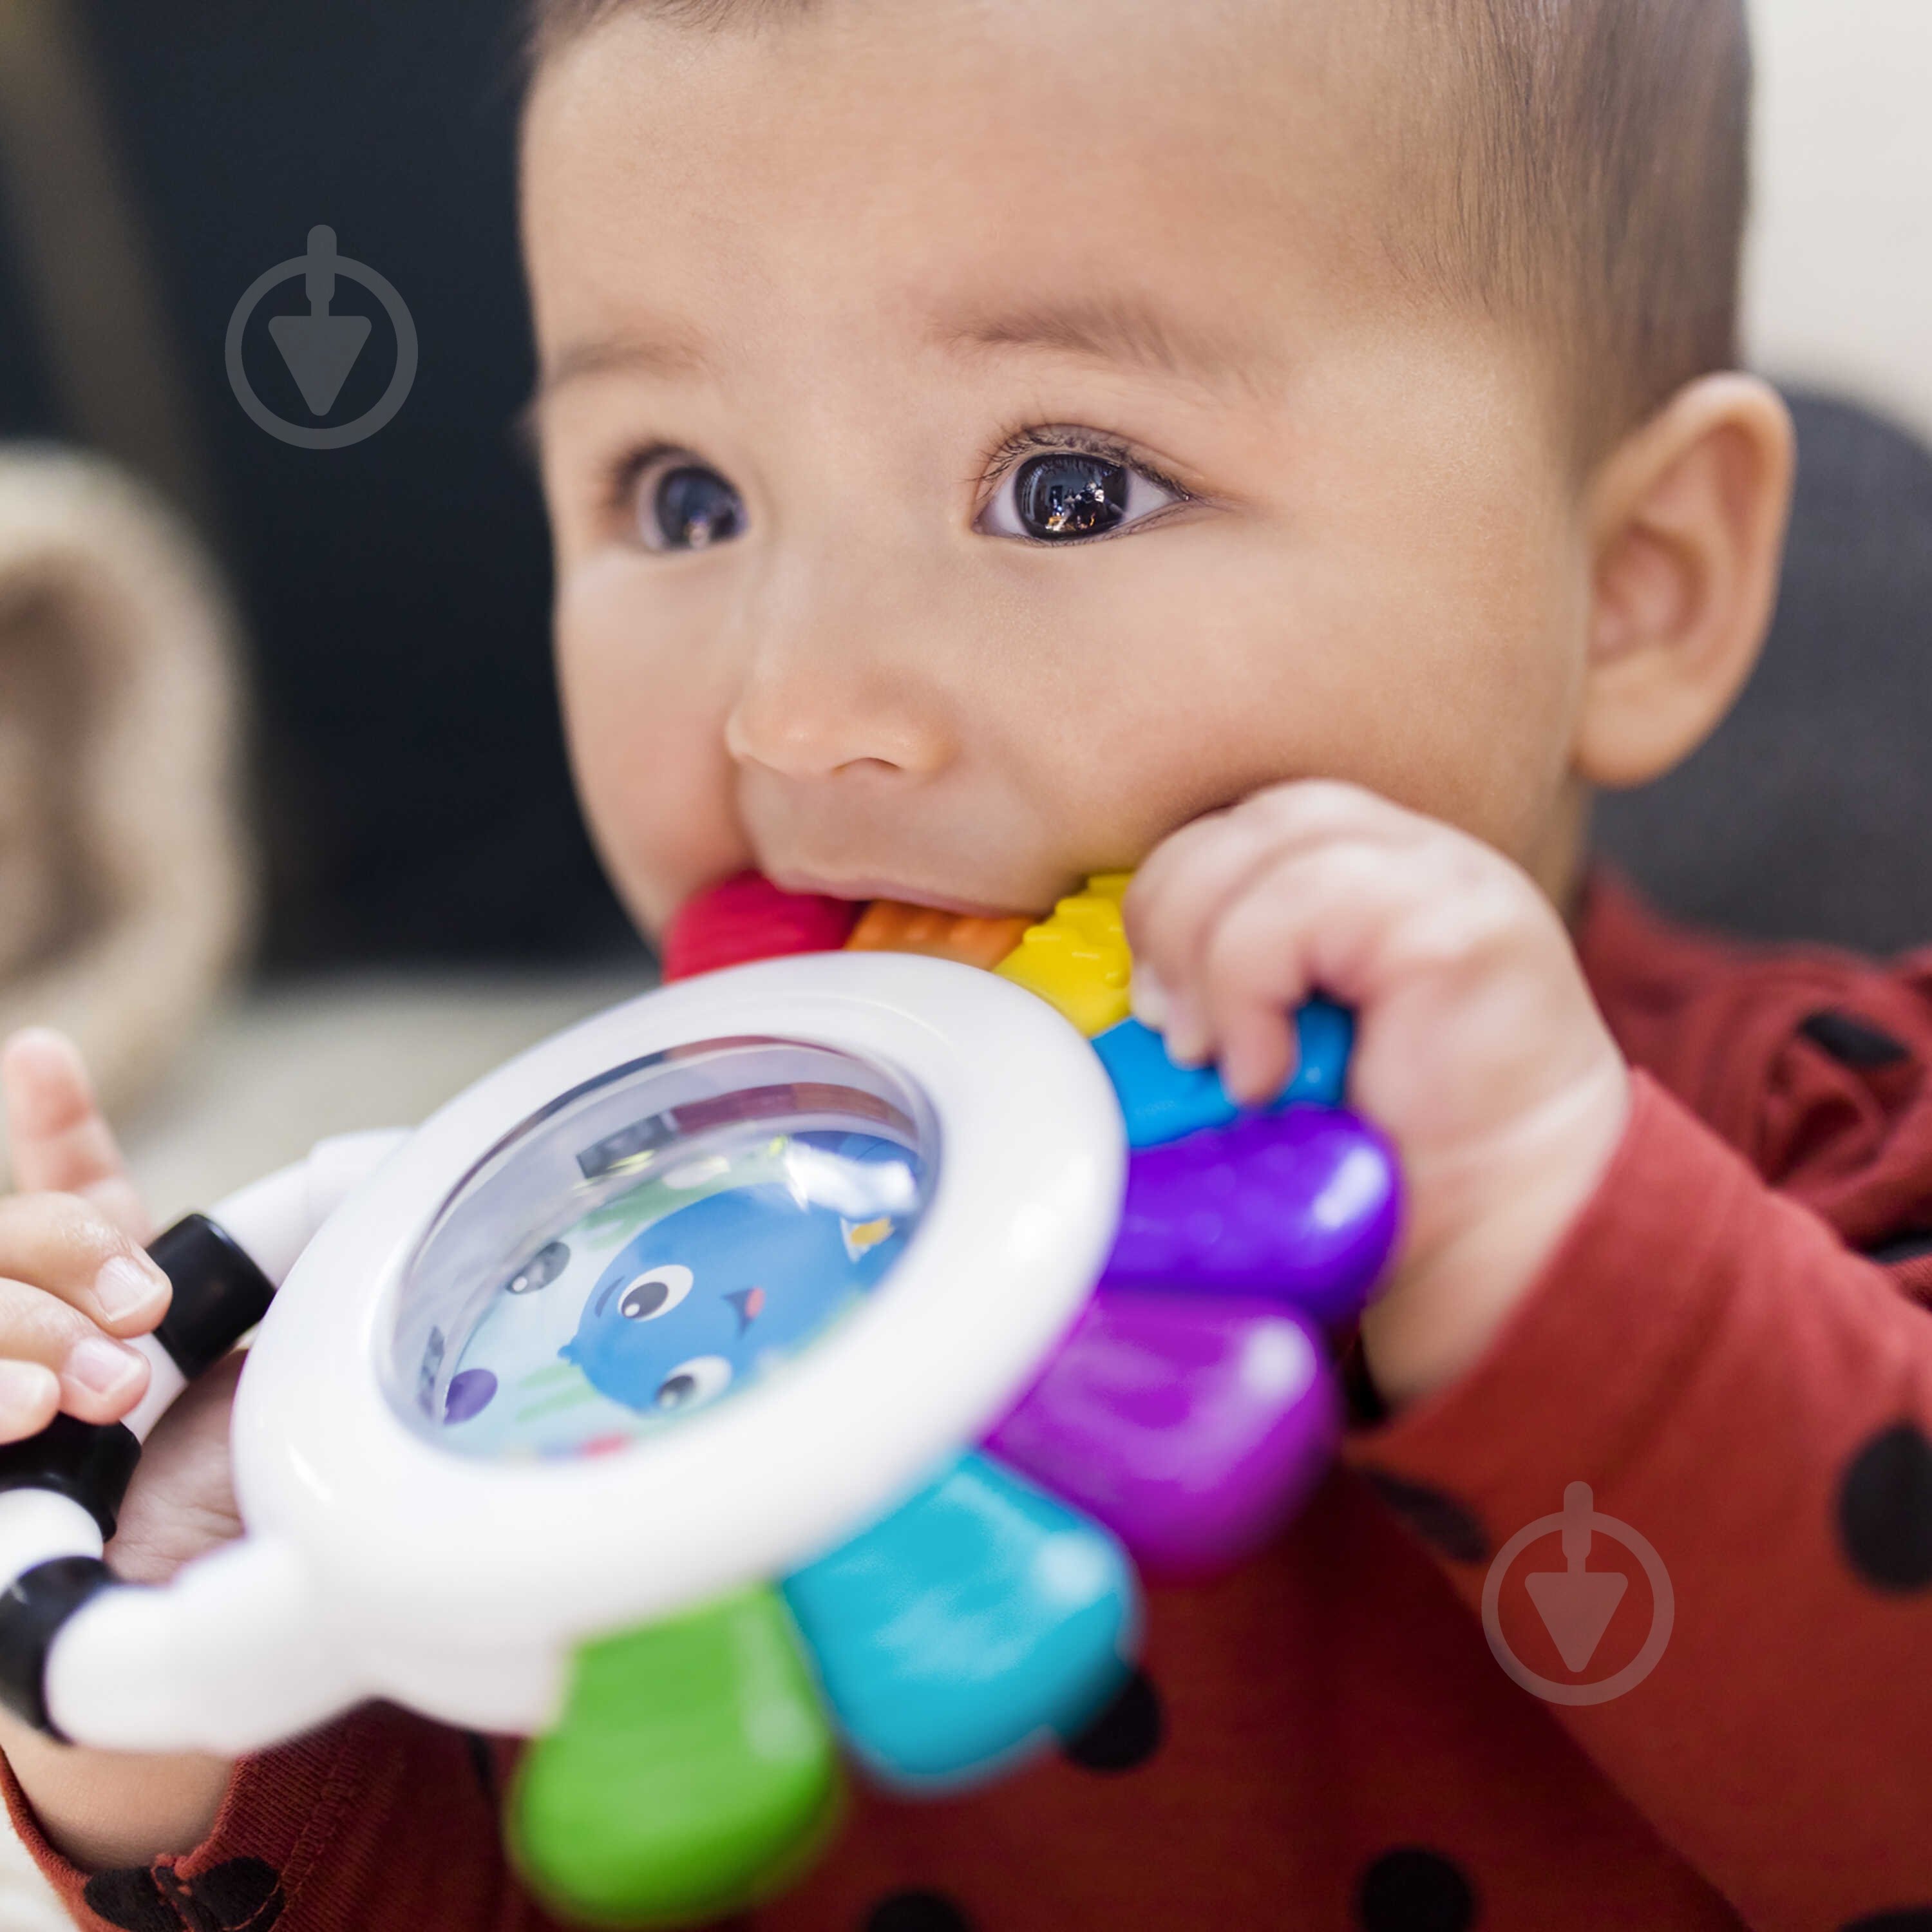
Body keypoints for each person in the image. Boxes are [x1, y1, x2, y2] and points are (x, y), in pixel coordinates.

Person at [3, 2, 1930, 1926]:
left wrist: (1557, 1241)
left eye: (1068, 483)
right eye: (684, 494)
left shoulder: (1840, 1130)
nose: (798, 710)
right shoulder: (622, 1296)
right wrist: (196, 1685)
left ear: (1636, 585)